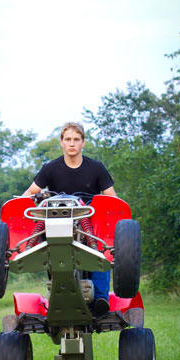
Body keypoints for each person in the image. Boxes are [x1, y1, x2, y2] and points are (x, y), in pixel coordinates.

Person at [22, 121, 116, 315]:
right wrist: (19, 204)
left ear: (83, 143)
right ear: (61, 143)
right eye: (68, 139)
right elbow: (31, 192)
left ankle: (100, 298)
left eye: (76, 139)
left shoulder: (96, 168)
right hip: (56, 220)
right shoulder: (50, 168)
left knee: (101, 250)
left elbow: (112, 198)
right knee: (48, 247)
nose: (72, 143)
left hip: (89, 221)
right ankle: (58, 296)